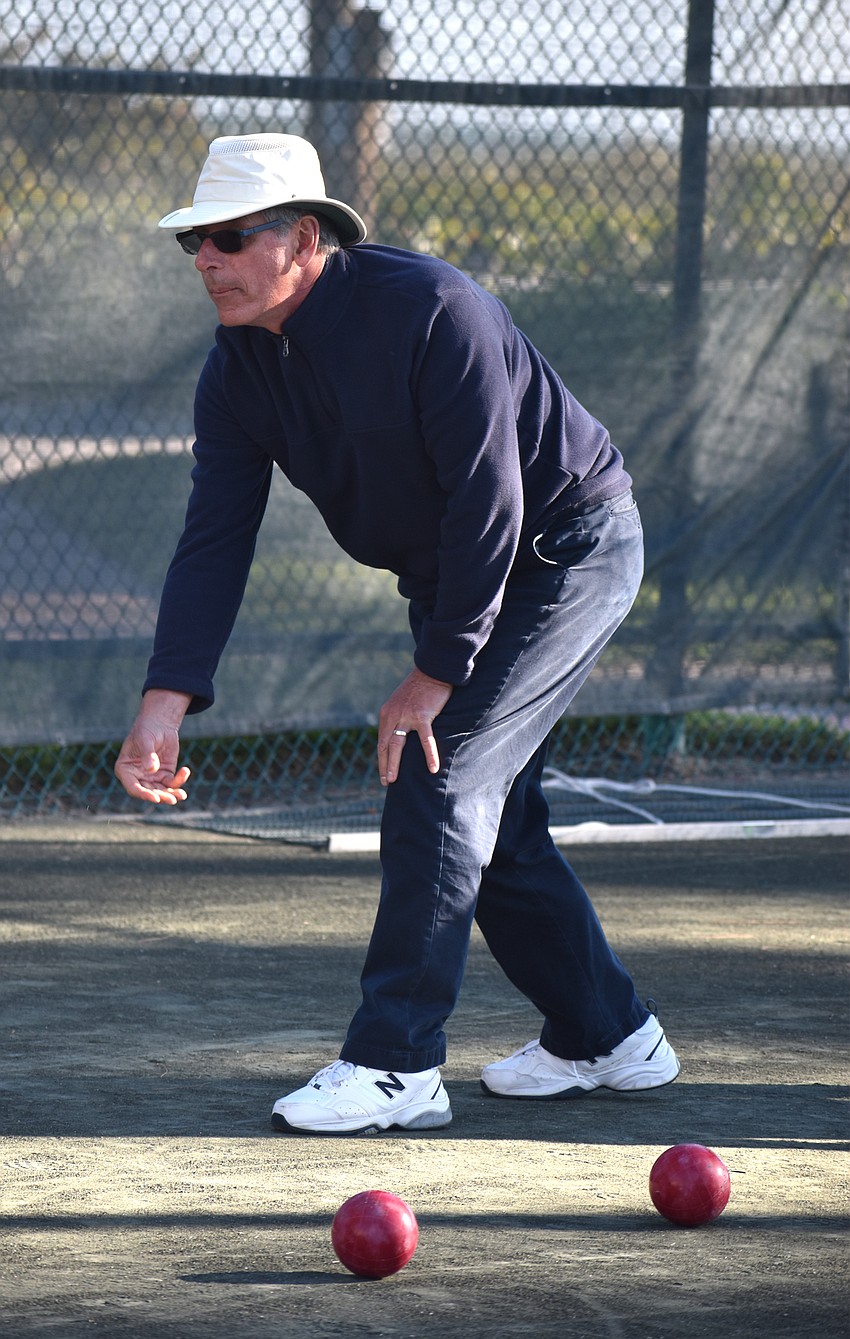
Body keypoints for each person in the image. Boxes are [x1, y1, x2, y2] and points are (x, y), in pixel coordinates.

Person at [115, 132, 680, 1136]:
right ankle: (608, 1034)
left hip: (565, 552)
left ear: (301, 238)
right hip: (457, 576)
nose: (205, 258)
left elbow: (490, 500)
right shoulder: (239, 367)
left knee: (437, 772)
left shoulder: (433, 311)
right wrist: (166, 696)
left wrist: (436, 669)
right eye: (193, 242)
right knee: (488, 820)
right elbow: (213, 535)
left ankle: (396, 1063)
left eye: (229, 237)